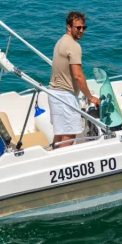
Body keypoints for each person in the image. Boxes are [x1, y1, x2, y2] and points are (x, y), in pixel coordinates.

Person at [48, 11, 100, 148]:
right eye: (78, 27)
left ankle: (53, 159)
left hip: (54, 93)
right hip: (65, 96)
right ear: (69, 27)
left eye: (84, 27)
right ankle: (62, 165)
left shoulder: (60, 41)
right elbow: (78, 76)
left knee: (60, 133)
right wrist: (90, 97)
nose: (81, 31)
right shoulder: (74, 46)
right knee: (69, 136)